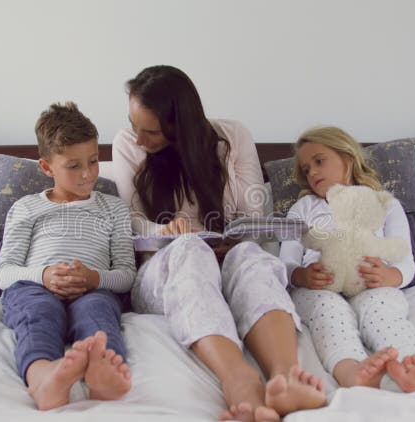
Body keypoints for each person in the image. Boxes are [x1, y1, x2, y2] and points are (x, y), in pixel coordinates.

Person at [111, 65, 326, 421]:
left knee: (250, 256)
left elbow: (253, 213)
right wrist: (165, 232)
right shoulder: (127, 147)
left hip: (227, 259)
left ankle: (286, 378)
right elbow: (132, 222)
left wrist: (205, 159)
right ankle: (240, 382)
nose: (138, 139)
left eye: (150, 131)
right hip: (163, 270)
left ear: (180, 127)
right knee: (190, 248)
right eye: (134, 125)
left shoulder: (233, 136)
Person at [280, 126, 415, 392]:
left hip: (371, 284)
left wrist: (391, 276)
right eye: (307, 169)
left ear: (347, 157)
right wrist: (301, 275)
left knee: (383, 310)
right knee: (328, 313)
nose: (312, 172)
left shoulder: (385, 204)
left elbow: (405, 257)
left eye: (319, 161)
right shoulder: (303, 208)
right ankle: (351, 369)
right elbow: (286, 262)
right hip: (320, 287)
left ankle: (413, 362)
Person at [0, 102, 136, 410]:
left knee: (98, 312)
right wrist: (44, 275)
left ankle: (104, 372)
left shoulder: (113, 208)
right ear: (46, 167)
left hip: (93, 289)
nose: (88, 174)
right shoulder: (26, 208)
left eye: (94, 161)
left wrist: (94, 278)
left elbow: (127, 275)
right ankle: (42, 374)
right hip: (36, 287)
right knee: (39, 311)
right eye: (73, 166)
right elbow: (4, 273)